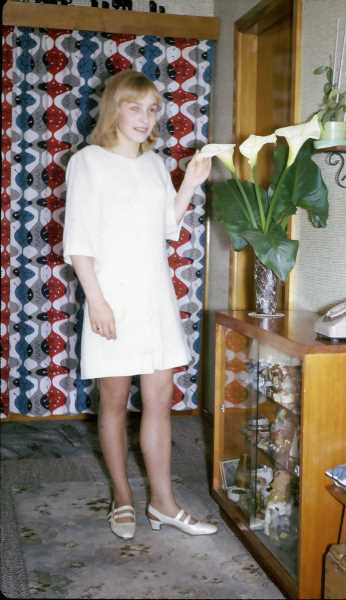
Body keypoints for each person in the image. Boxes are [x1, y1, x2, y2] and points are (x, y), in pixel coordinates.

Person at [63, 69, 216, 540]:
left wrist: (190, 183)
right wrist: (97, 302)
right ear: (114, 108)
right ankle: (123, 497)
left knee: (159, 400)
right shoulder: (88, 161)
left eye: (152, 109)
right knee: (113, 401)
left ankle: (163, 504)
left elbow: (167, 225)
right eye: (135, 107)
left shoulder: (154, 163)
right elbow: (79, 241)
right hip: (110, 297)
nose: (145, 117)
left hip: (154, 296)